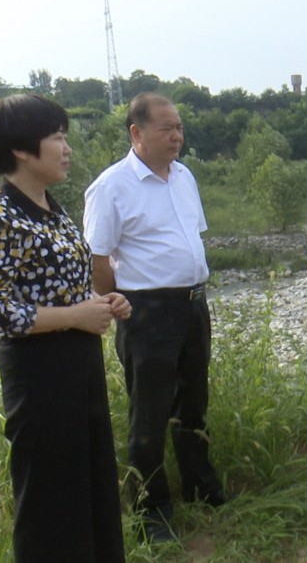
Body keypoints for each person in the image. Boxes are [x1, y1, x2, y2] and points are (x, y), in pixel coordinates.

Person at [0, 94, 128, 562]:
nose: (66, 147)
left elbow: (59, 290)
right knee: (49, 500)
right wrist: (76, 316)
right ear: (21, 149)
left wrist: (100, 302)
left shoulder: (51, 208)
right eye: (56, 137)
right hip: (39, 372)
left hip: (79, 364)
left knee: (91, 485)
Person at [83, 93, 227, 543]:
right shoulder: (112, 186)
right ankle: (151, 508)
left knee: (194, 403)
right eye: (167, 128)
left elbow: (190, 237)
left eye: (179, 127)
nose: (176, 136)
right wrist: (120, 303)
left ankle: (200, 486)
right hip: (146, 311)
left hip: (192, 304)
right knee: (149, 412)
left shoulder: (183, 176)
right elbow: (97, 259)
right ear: (137, 133)